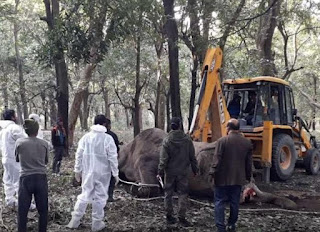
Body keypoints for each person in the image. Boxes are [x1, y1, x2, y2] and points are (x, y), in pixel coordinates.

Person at [67, 114, 119, 232]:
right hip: (103, 173)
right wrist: (115, 173)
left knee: (84, 195)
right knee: (100, 198)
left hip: (88, 172)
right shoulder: (107, 139)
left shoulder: (86, 138)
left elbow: (79, 154)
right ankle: (96, 223)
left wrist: (77, 170)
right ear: (105, 124)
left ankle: (74, 221)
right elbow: (112, 157)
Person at [209, 119, 252, 232]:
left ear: (228, 128)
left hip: (221, 178)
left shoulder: (222, 141)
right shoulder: (246, 143)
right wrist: (248, 177)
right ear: (238, 129)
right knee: (234, 203)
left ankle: (220, 227)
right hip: (238, 179)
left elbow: (216, 159)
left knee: (219, 202)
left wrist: (212, 173)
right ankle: (231, 224)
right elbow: (248, 163)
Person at [158, 117, 199, 226]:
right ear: (180, 125)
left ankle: (169, 216)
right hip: (183, 172)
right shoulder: (187, 140)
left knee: (168, 194)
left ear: (171, 126)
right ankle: (182, 217)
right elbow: (192, 157)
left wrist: (160, 171)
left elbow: (163, 159)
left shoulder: (167, 140)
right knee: (183, 194)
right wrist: (195, 169)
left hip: (170, 172)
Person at [15, 119, 49, 232]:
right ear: (37, 129)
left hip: (25, 178)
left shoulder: (19, 143)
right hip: (40, 178)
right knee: (43, 210)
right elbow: (46, 161)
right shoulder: (44, 144)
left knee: (22, 211)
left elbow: (17, 159)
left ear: (25, 131)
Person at [0, 109, 26, 207]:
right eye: (15, 115)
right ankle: (23, 202)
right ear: (12, 117)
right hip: (14, 158)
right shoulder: (14, 128)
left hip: (5, 158)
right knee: (18, 181)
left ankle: (10, 199)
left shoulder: (3, 130)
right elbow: (24, 140)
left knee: (7, 179)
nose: (17, 117)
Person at [106, 118, 120, 202]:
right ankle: (109, 196)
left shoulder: (91, 136)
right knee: (111, 179)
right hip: (109, 161)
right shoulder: (112, 135)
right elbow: (116, 149)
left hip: (97, 163)